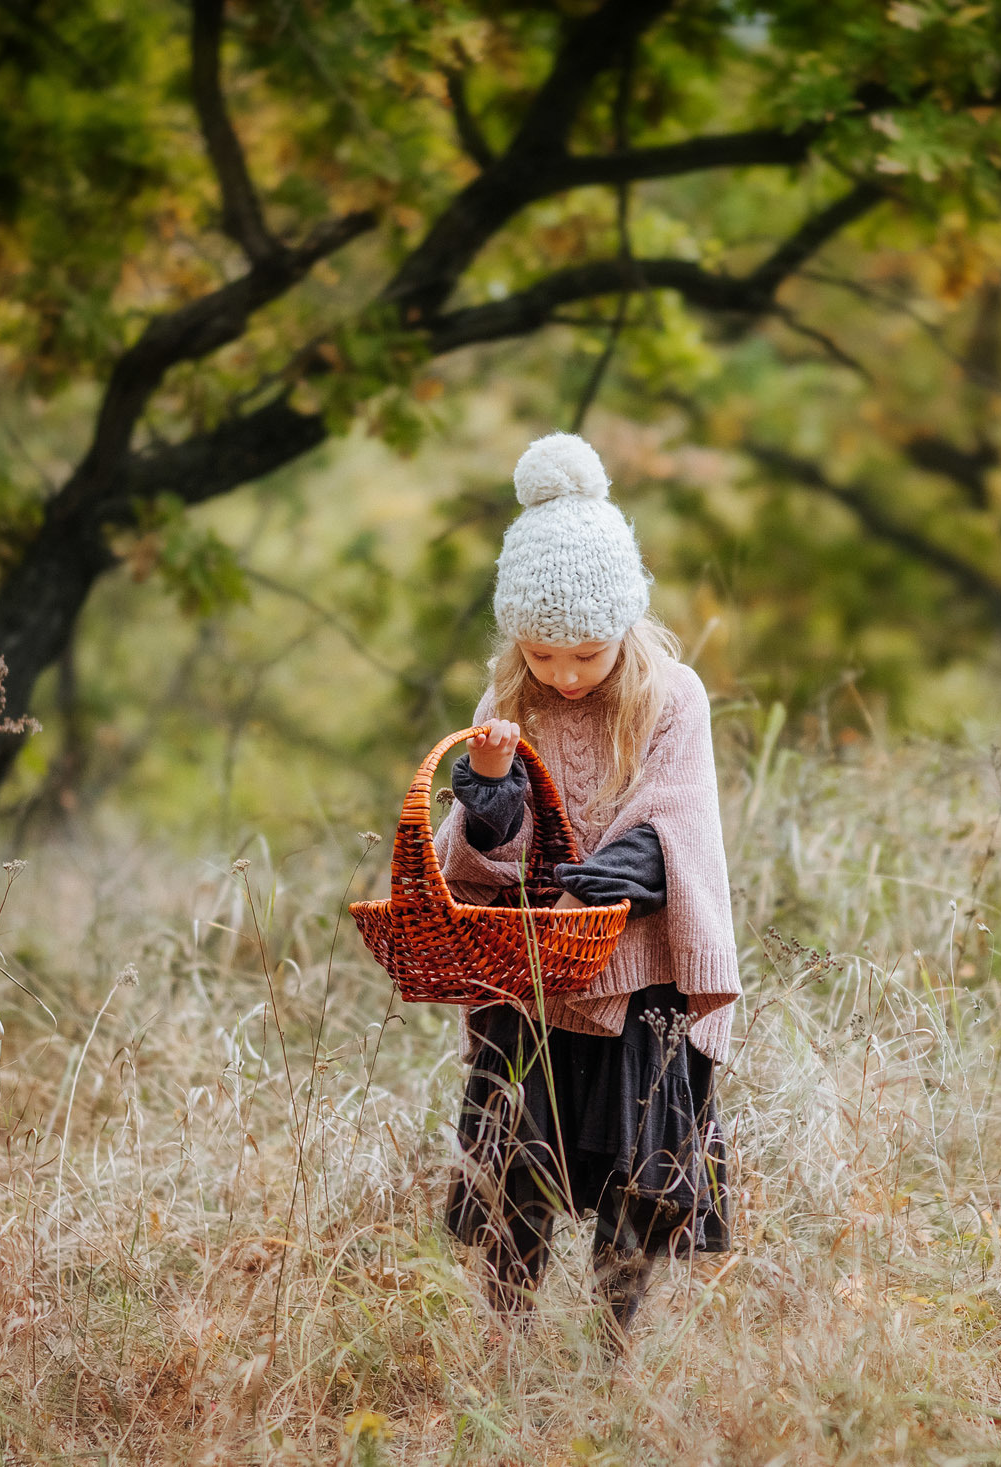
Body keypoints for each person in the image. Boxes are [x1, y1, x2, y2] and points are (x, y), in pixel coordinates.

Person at [433, 431, 740, 1353]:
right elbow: (485, 860)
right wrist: (488, 804)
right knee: (515, 1177)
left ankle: (613, 1344)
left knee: (635, 1181)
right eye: (543, 655)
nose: (564, 675)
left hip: (636, 970)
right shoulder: (505, 708)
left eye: (585, 655)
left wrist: (602, 884)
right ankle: (510, 1338)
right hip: (533, 977)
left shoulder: (673, 697)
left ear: (625, 628)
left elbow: (674, 820)